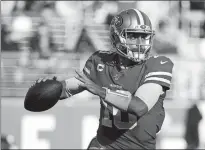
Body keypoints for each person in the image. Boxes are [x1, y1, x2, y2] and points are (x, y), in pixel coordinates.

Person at [36, 9, 174, 149]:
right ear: (117, 37)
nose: (140, 42)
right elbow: (70, 87)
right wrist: (52, 87)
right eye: (133, 36)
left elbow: (139, 106)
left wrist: (99, 90)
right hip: (105, 145)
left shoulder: (158, 64)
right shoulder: (101, 61)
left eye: (144, 36)